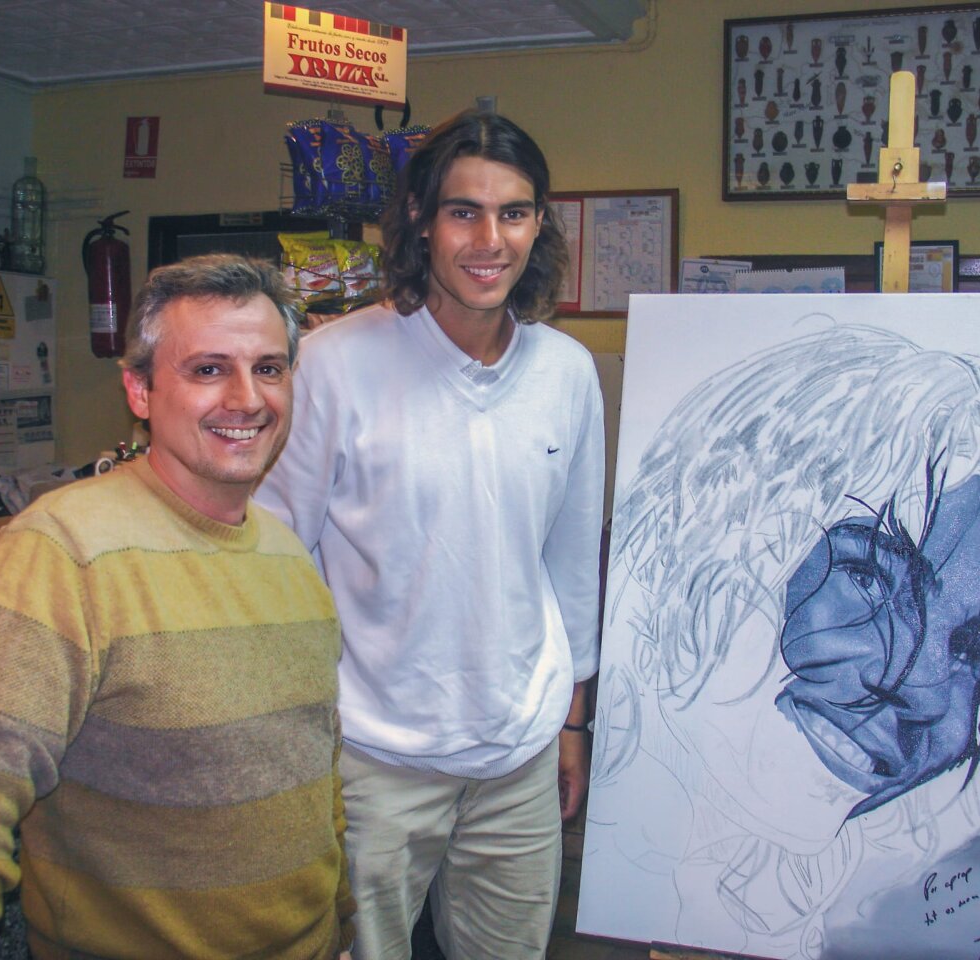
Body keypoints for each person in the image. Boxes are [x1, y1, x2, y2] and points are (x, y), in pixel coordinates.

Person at [0, 254, 356, 960]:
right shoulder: (63, 552)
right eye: (208, 369)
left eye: (270, 368)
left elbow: (319, 783)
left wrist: (341, 925)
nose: (247, 398)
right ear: (138, 389)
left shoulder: (288, 556)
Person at [585, 325, 980, 958]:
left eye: (970, 646)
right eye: (868, 577)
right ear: (704, 533)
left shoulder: (853, 904)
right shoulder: (635, 855)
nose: (921, 688)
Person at [255, 109, 605, 960]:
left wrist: (570, 721)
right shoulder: (336, 362)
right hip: (373, 758)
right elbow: (275, 551)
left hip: (518, 756)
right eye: (464, 212)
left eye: (514, 213)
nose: (491, 239)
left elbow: (571, 561)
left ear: (538, 226)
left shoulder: (567, 371)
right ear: (420, 221)